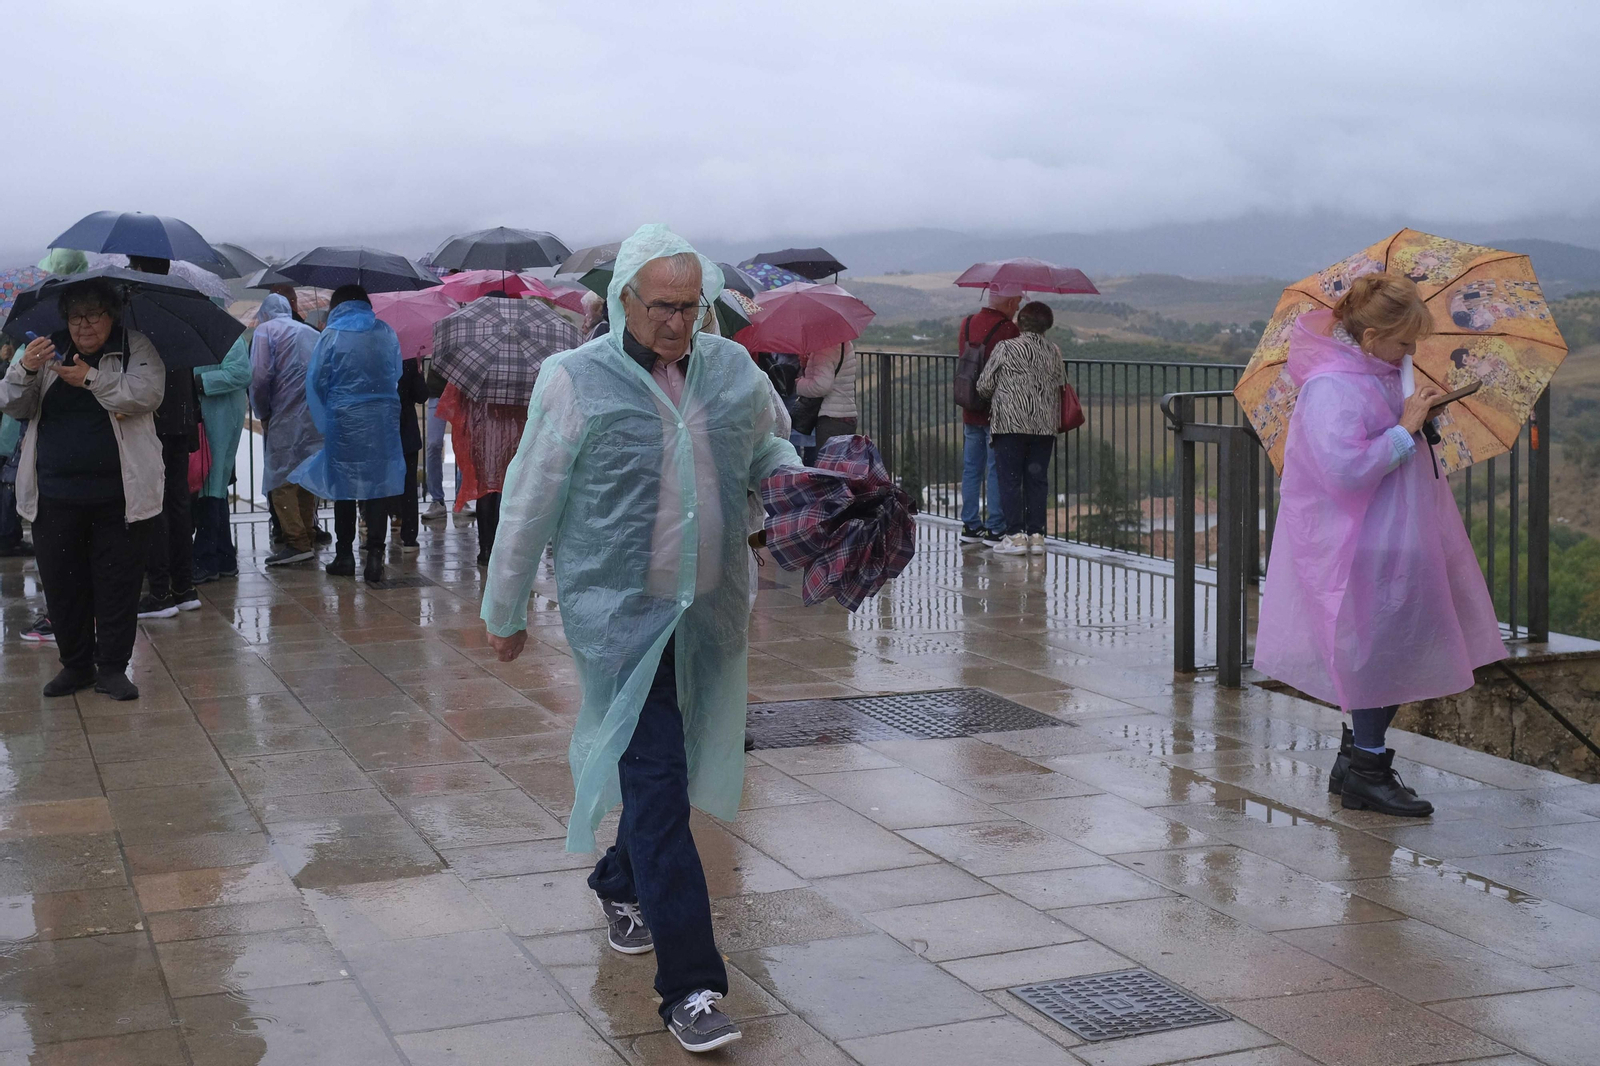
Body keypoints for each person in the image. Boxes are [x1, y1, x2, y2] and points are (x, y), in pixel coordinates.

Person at [482, 225, 798, 1053]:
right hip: (618, 620)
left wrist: (799, 486)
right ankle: (691, 988)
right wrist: (504, 610)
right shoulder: (573, 381)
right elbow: (530, 500)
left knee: (674, 768)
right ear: (623, 297)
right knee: (657, 786)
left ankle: (619, 879)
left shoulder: (732, 369)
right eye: (662, 307)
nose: (677, 324)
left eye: (691, 307)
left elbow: (765, 444)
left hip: (708, 606)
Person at [1254, 274, 1507, 817]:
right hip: (1362, 543)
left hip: (1391, 534)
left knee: (1385, 648)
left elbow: (1384, 437)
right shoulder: (1333, 387)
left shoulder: (1376, 374)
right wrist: (1405, 428)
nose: (1411, 352)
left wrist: (1417, 416)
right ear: (1370, 338)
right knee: (1378, 653)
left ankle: (1356, 760)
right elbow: (1344, 470)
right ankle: (1368, 769)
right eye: (1403, 343)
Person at [0, 277, 165, 700]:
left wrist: (91, 379)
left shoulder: (133, 347)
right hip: (54, 496)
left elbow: (146, 394)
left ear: (112, 316)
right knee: (62, 587)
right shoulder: (46, 349)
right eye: (75, 317)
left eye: (94, 315)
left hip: (121, 497)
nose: (84, 326)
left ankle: (111, 669)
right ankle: (75, 666)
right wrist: (25, 370)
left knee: (117, 586)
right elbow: (15, 405)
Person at [437, 294, 580, 566]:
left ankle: (486, 549)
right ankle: (508, 549)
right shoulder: (536, 351)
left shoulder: (477, 346)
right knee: (512, 489)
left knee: (486, 489)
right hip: (518, 431)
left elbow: (456, 397)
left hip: (484, 432)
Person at [290, 284, 405, 585]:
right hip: (382, 419)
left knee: (344, 485)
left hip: (344, 419)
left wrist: (332, 406)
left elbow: (316, 379)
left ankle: (344, 555)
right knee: (377, 486)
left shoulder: (331, 335)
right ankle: (376, 556)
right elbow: (395, 372)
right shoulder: (386, 331)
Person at [127, 257, 199, 620]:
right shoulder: (182, 302)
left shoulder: (139, 307)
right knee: (178, 502)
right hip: (181, 416)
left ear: (139, 267)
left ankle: (159, 592)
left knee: (153, 505)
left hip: (155, 417)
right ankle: (184, 587)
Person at [979, 301, 1065, 557]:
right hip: (1044, 425)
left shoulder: (1006, 348)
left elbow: (984, 385)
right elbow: (1061, 383)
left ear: (1019, 322)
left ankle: (1015, 536)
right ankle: (1037, 536)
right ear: (1047, 326)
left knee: (1010, 479)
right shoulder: (1054, 351)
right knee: (1037, 480)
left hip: (1010, 425)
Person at [250, 294, 324, 566]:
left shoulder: (265, 332)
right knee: (306, 476)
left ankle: (296, 541)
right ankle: (308, 534)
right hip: (313, 416)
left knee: (280, 481)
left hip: (283, 415)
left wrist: (262, 411)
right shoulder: (310, 332)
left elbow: (259, 376)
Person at [958, 285, 1021, 545]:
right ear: (1007, 304)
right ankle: (996, 527)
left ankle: (971, 526)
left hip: (970, 405)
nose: (1017, 308)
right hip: (997, 409)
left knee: (971, 468)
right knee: (996, 470)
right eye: (1016, 302)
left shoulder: (967, 322)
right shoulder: (1009, 330)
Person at [191, 328, 250, 583]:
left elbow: (240, 372)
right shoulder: (201, 332)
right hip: (213, 417)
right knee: (215, 488)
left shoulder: (227, 335)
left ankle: (206, 560)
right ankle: (224, 557)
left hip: (220, 418)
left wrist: (198, 382)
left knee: (210, 487)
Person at [0, 338, 32, 557]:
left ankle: (9, 535)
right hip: (14, 432)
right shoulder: (27, 352)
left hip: (11, 431)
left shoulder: (23, 350)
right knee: (10, 484)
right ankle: (8, 537)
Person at [795, 340, 859, 448]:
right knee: (840, 463)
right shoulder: (844, 343)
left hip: (830, 419)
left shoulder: (824, 348)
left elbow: (821, 386)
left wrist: (799, 384)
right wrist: (808, 365)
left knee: (826, 464)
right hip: (846, 416)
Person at [395, 357, 427, 552]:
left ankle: (374, 537)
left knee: (379, 482)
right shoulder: (407, 361)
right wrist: (418, 372)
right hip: (406, 430)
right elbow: (422, 395)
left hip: (381, 429)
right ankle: (409, 535)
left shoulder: (375, 357)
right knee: (408, 485)